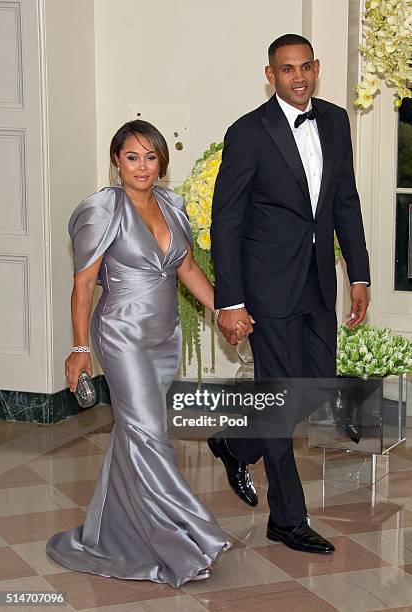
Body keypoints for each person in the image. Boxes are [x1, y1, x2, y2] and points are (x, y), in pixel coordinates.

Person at [46, 120, 246, 587]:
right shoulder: (103, 209)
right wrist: (79, 348)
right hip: (121, 334)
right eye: (132, 156)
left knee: (134, 437)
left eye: (150, 157)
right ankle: (189, 532)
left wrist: (226, 311)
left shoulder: (172, 206)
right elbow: (82, 288)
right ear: (116, 160)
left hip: (163, 336)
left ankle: (112, 533)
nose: (142, 166)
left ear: (162, 163)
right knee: (149, 434)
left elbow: (188, 269)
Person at [209, 34, 370, 554]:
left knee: (318, 383)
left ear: (316, 68)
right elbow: (226, 222)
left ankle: (235, 444)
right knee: (279, 399)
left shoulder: (336, 120)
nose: (298, 77)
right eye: (286, 70)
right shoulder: (249, 133)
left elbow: (345, 199)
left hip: (318, 278)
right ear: (270, 75)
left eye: (305, 67)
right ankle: (288, 518)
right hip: (267, 284)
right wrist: (230, 300)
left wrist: (360, 274)